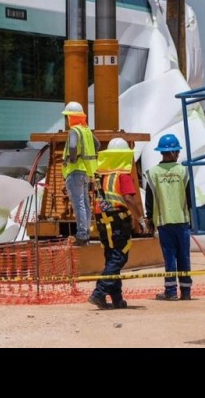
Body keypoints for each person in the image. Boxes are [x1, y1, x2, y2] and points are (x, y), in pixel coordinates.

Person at [87, 138, 147, 310]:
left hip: (102, 221)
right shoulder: (123, 176)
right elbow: (129, 199)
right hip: (118, 221)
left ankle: (117, 299)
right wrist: (140, 220)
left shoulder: (101, 177)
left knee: (111, 257)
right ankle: (99, 292)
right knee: (119, 257)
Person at [144, 133, 193, 301]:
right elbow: (190, 198)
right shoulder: (183, 171)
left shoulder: (152, 173)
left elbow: (149, 199)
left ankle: (171, 292)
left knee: (170, 257)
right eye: (177, 151)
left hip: (163, 222)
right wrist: (192, 220)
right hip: (182, 220)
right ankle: (186, 292)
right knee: (184, 256)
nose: (178, 153)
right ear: (173, 152)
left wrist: (149, 219)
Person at [61, 101, 100, 246]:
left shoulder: (74, 131)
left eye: (67, 117)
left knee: (79, 204)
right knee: (84, 204)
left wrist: (73, 158)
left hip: (75, 171)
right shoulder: (86, 130)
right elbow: (97, 145)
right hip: (85, 172)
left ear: (71, 117)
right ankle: (86, 233)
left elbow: (72, 146)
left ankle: (82, 235)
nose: (66, 120)